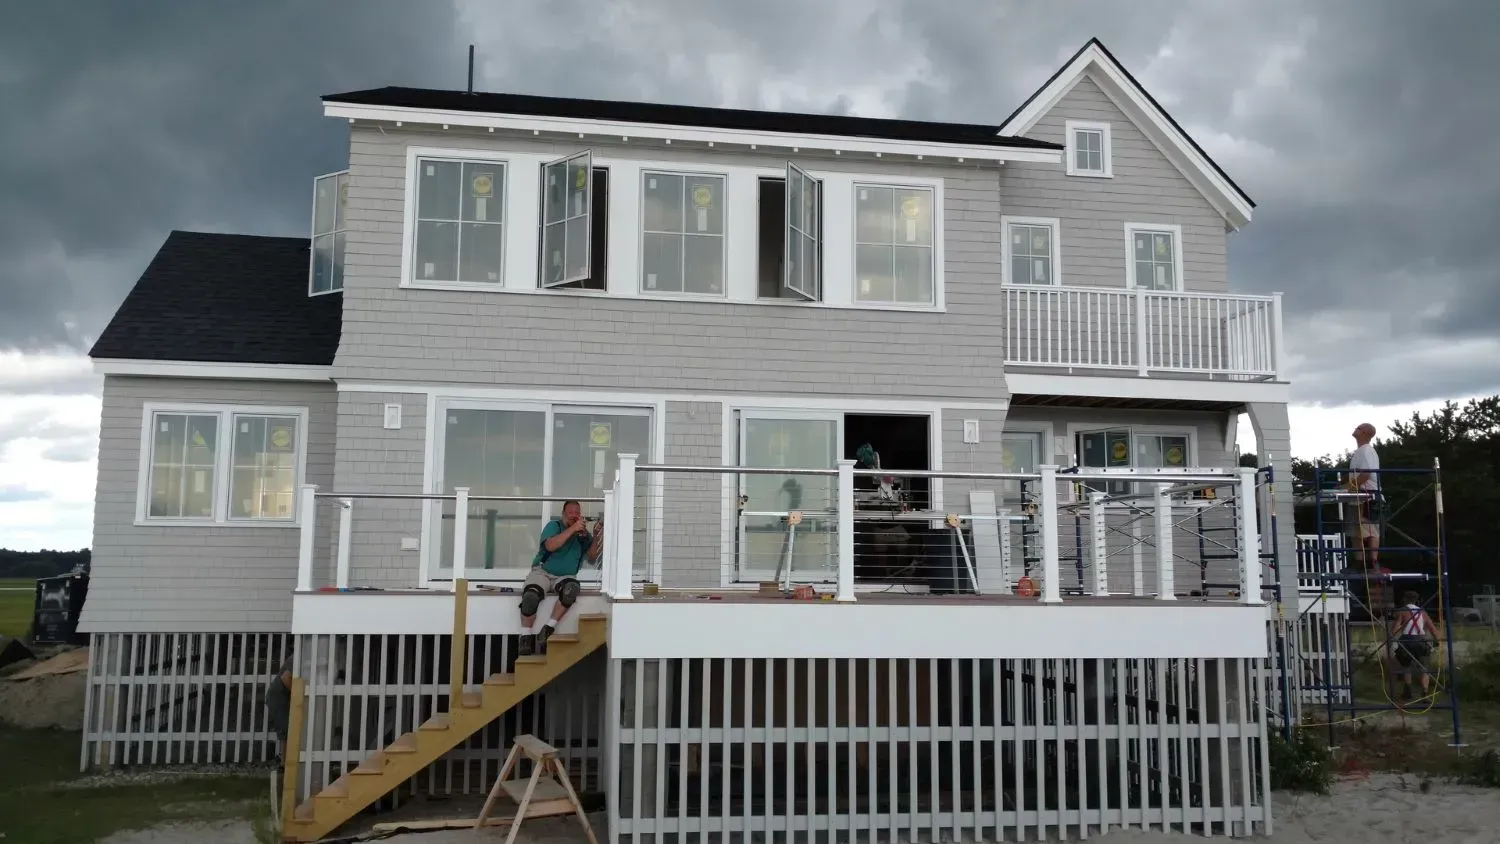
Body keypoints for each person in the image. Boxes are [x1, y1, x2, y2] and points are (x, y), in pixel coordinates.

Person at [519, 500, 603, 656]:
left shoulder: (583, 536)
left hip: (565, 576)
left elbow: (592, 557)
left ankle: (548, 628)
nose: (574, 515)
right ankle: (525, 637)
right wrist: (572, 529)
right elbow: (550, 546)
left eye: (577, 512)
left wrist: (597, 536)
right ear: (563, 514)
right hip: (542, 571)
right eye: (571, 512)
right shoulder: (554, 526)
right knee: (530, 598)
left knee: (571, 590)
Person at [1388, 590, 1438, 702]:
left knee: (1406, 666)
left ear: (1405, 599)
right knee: (1424, 668)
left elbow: (1395, 628)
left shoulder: (1403, 611)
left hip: (1406, 641)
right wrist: (1437, 641)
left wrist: (1392, 638)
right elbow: (1432, 629)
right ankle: (1425, 693)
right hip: (1420, 641)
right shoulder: (1423, 612)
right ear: (1416, 600)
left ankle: (1407, 692)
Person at [1346, 422, 1383, 572]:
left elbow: (1366, 473)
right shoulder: (1361, 451)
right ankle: (1362, 563)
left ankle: (1372, 563)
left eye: (1359, 428)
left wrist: (1351, 486)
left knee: (1368, 531)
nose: (1355, 429)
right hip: (1361, 496)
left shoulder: (1366, 450)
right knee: (1357, 532)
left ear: (1365, 433)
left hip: (1366, 496)